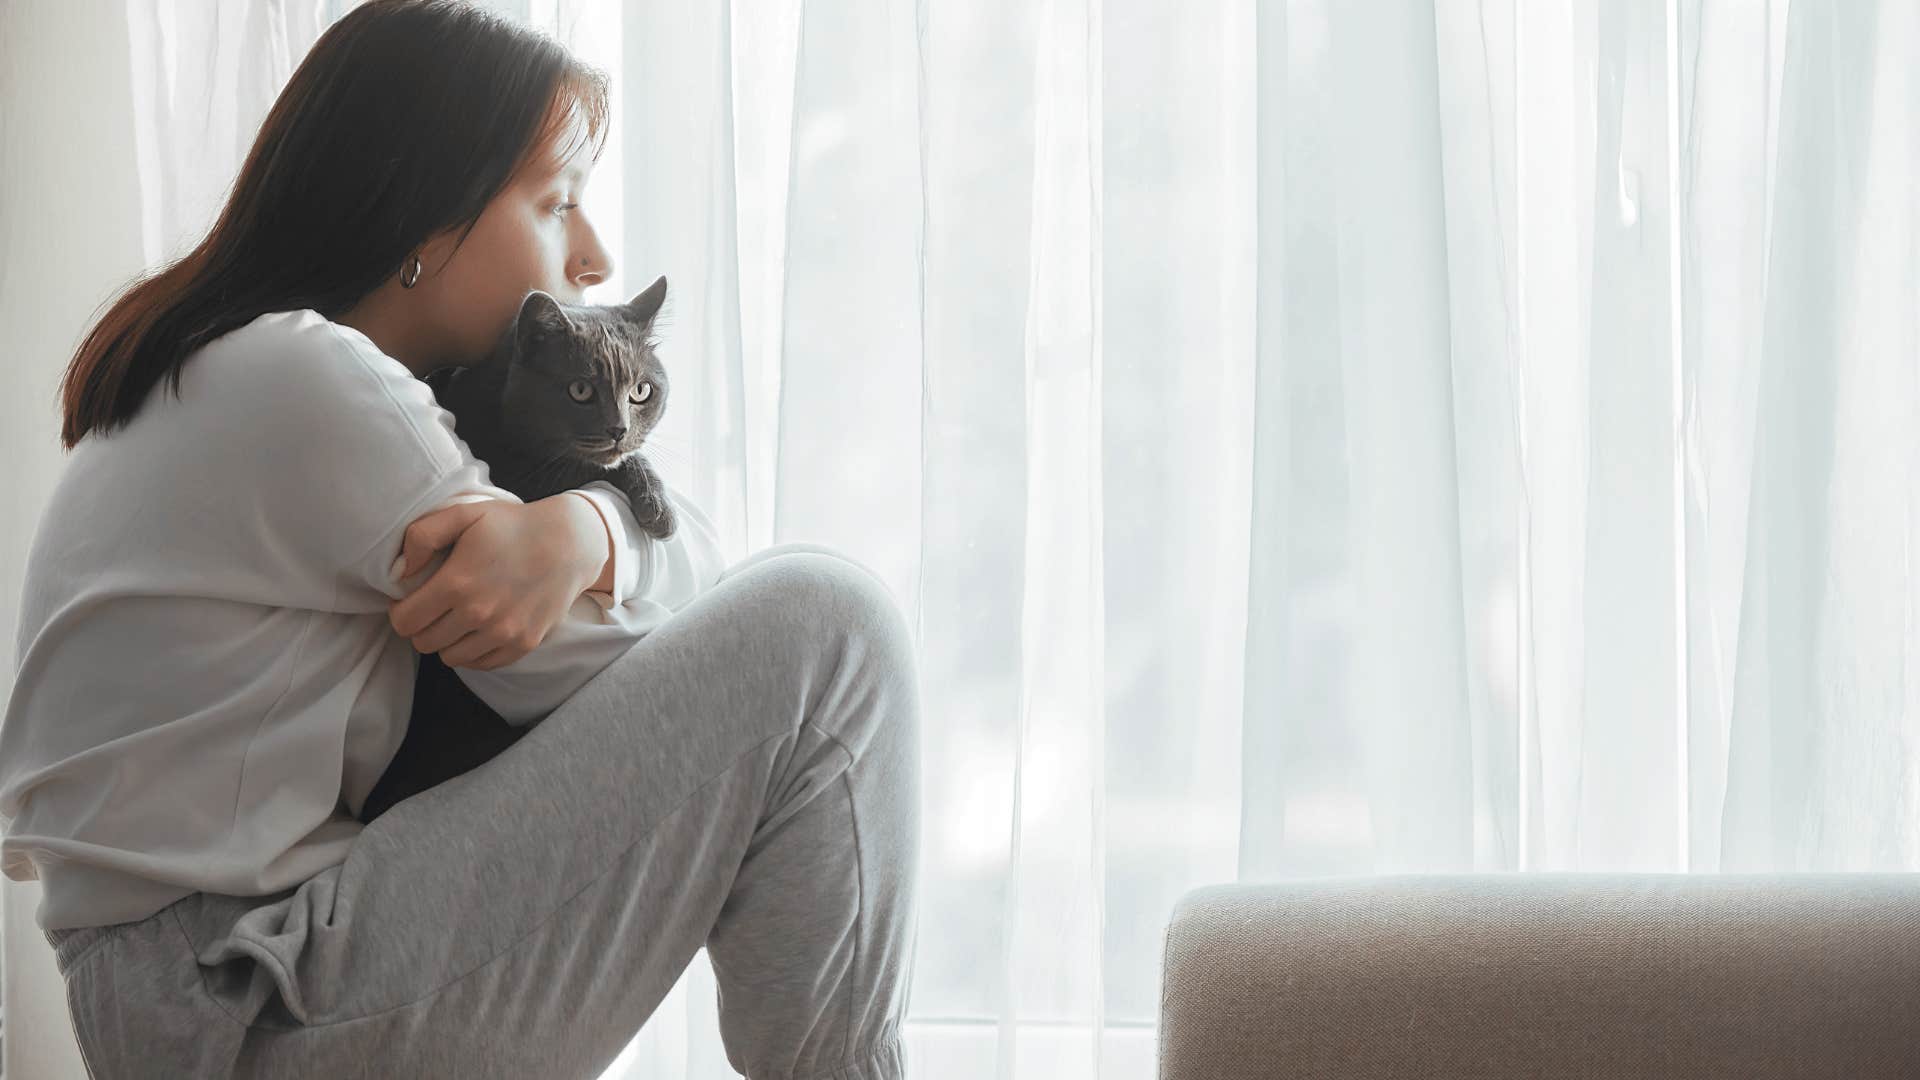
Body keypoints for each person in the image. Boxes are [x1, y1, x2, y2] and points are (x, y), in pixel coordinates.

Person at [0, 1, 921, 1076]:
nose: (593, 256)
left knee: (806, 622)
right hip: (244, 992)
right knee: (829, 628)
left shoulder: (219, 367)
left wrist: (586, 529)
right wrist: (602, 533)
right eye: (557, 201)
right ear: (428, 218)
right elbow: (599, 666)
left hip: (186, 993)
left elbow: (663, 617)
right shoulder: (314, 382)